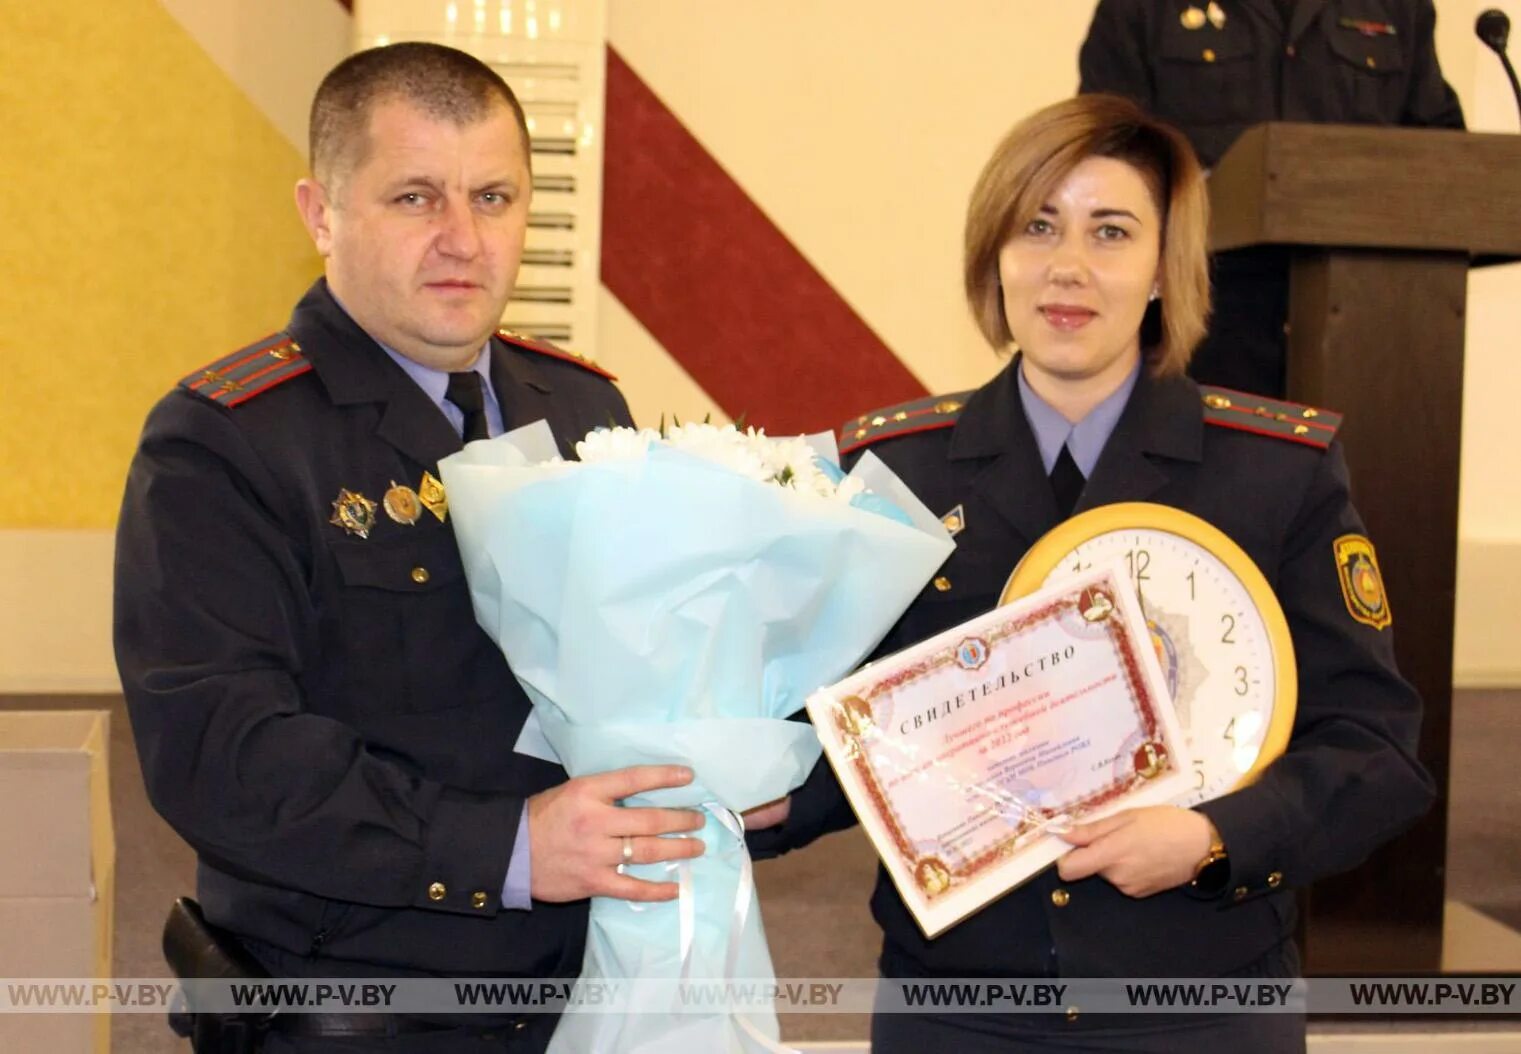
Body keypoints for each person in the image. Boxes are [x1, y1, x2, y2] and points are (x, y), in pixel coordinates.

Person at [746, 93, 1431, 1052]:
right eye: (1037, 227)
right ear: (995, 256)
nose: (1067, 266)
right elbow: (856, 733)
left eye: (1111, 232)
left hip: (1199, 1000)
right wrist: (755, 789)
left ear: (1162, 270)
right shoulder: (896, 472)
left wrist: (1213, 839)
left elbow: (1374, 754)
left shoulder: (1276, 472)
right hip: (961, 1003)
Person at [114, 43, 704, 1053]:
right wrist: (507, 847)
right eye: (415, 199)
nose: (464, 240)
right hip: (356, 997)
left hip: (583, 983)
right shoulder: (226, 440)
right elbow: (223, 753)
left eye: (494, 196)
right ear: (319, 212)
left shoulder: (581, 404)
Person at [1078, 0, 1465, 396]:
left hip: (1366, 336)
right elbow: (1105, 148)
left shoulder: (1399, 8)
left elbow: (1446, 156)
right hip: (1201, 319)